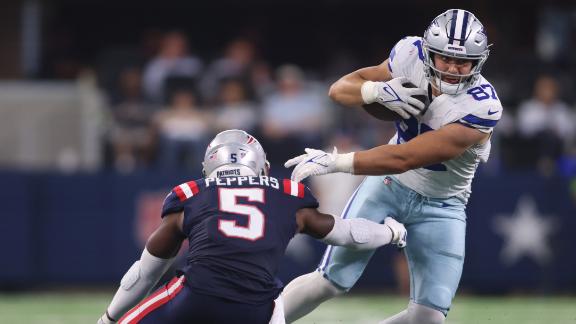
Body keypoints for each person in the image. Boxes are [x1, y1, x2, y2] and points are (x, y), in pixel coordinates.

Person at [281, 9, 501, 324]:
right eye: (445, 58)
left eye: (462, 61)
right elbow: (339, 89)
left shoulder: (482, 105)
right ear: (428, 53)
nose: (453, 68)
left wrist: (336, 161)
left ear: (478, 62)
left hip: (444, 204)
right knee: (331, 280)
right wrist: (374, 90)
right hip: (389, 187)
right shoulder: (410, 54)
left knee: (429, 317)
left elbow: (406, 157)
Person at [97, 129, 407, 324]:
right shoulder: (288, 195)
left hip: (197, 299)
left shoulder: (192, 194)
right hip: (260, 311)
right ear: (262, 168)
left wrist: (109, 316)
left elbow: (146, 271)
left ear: (209, 168)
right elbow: (348, 234)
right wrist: (392, 232)